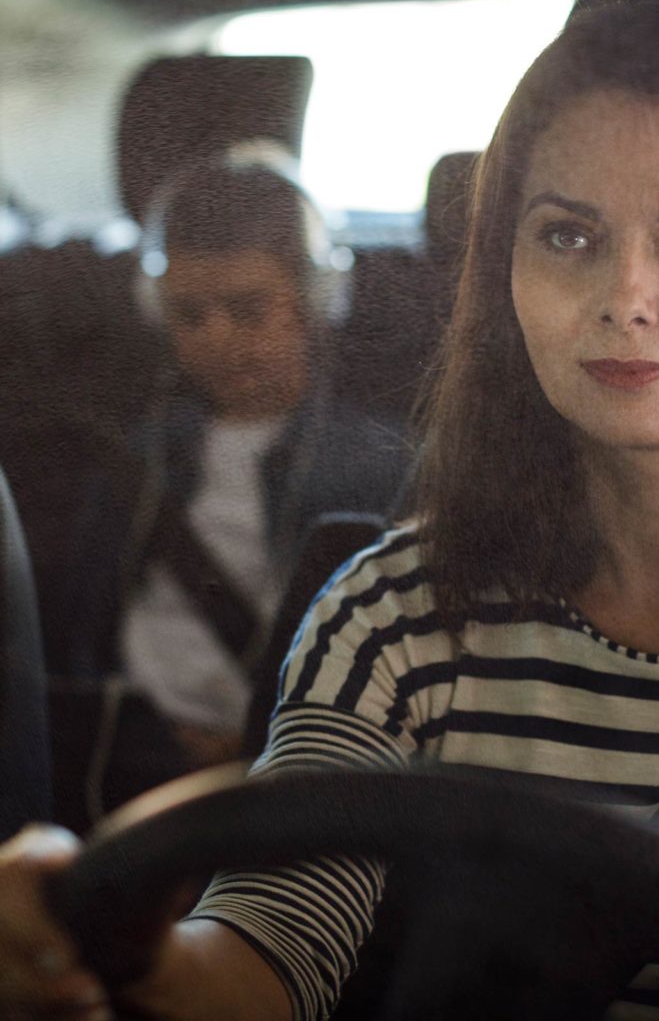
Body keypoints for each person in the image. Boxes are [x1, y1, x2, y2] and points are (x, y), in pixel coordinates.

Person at [3, 2, 659, 1020]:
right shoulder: (390, 618)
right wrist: (114, 956)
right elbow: (269, 948)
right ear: (506, 278)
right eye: (567, 234)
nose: (625, 294)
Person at [51, 143, 408, 789]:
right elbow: (82, 621)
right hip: (126, 753)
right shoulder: (142, 457)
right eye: (189, 314)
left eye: (247, 309)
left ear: (314, 300)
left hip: (292, 761)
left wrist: (261, 744)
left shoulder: (380, 465)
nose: (214, 337)